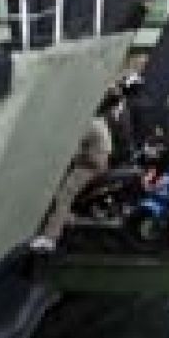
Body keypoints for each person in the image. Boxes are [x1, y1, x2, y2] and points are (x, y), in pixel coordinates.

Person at [31, 96, 117, 252]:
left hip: (89, 166)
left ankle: (49, 239)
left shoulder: (91, 124)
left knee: (64, 196)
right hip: (97, 163)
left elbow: (71, 144)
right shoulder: (100, 122)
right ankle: (66, 221)